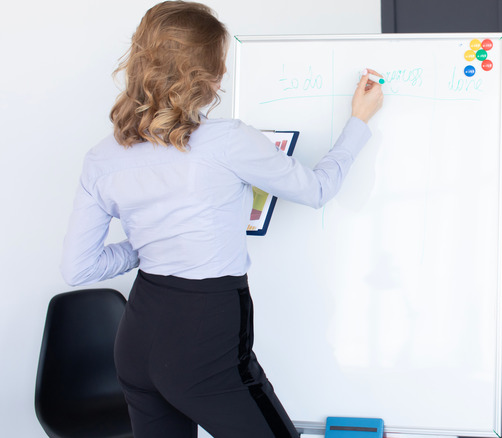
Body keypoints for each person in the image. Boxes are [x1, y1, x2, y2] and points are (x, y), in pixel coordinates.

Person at [59, 1, 383, 437]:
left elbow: (79, 267)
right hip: (203, 337)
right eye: (219, 64)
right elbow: (318, 189)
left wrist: (151, 243)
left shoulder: (102, 157)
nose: (224, 75)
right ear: (204, 76)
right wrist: (359, 121)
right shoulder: (228, 141)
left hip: (136, 340)